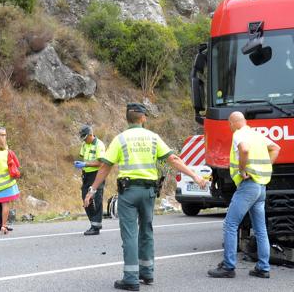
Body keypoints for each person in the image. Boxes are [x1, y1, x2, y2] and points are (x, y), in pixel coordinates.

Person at [84, 103, 208, 291]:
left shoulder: (120, 139)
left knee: (130, 234)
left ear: (127, 118)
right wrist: (195, 176)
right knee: (147, 231)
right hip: (148, 192)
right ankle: (147, 273)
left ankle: (131, 279)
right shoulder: (153, 138)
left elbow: (105, 166)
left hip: (128, 192)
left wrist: (92, 190)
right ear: (143, 118)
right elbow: (173, 159)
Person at [207, 111, 280, 279]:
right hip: (261, 186)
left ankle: (228, 266)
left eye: (229, 125)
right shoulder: (257, 135)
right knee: (260, 229)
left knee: (230, 225)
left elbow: (244, 150)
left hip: (248, 185)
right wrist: (264, 167)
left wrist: (242, 169)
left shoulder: (239, 134)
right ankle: (263, 268)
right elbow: (276, 148)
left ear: (232, 123)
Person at [74, 124, 106, 235]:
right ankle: (94, 222)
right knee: (85, 198)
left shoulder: (99, 144)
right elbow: (84, 157)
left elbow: (101, 162)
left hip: (97, 174)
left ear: (91, 134)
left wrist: (85, 164)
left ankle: (96, 227)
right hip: (86, 175)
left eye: (85, 137)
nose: (84, 140)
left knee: (96, 198)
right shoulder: (84, 144)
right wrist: (80, 164)